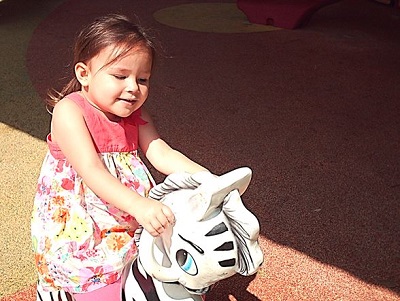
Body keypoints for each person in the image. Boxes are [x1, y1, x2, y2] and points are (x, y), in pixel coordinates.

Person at [31, 14, 210, 301]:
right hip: (85, 222)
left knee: (153, 269)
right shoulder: (70, 110)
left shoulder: (136, 115)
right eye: (120, 76)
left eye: (142, 79)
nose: (133, 88)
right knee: (99, 286)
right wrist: (139, 205)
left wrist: (208, 180)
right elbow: (91, 170)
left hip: (127, 213)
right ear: (84, 73)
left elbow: (160, 152)